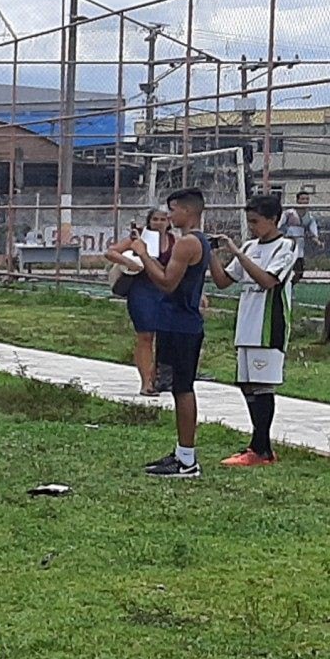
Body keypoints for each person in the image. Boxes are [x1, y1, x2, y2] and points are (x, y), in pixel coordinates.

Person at [209, 194, 299, 466]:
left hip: (268, 325)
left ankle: (261, 448)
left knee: (263, 386)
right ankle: (259, 446)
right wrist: (211, 255)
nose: (252, 227)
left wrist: (237, 252)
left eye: (256, 221)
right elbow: (224, 281)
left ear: (273, 219)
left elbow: (268, 280)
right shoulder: (250, 246)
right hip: (246, 324)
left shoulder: (286, 246)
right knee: (247, 385)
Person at [127, 188, 210, 479]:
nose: (169, 216)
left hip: (182, 325)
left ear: (187, 211)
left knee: (183, 388)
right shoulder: (198, 241)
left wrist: (142, 255)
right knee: (177, 389)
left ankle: (188, 459)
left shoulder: (188, 243)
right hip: (177, 322)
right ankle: (181, 453)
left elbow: (165, 282)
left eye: (173, 210)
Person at [106, 208, 174, 397]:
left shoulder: (175, 241)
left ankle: (161, 377)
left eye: (163, 219)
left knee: (166, 336)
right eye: (155, 219)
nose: (159, 223)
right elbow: (111, 252)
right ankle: (146, 382)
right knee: (145, 336)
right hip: (142, 290)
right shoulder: (138, 238)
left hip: (164, 290)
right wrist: (129, 262)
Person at [279, 190, 321, 284]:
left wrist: (317, 241)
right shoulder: (289, 213)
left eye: (307, 199)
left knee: (299, 272)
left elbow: (313, 233)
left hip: (299, 247)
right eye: (302, 199)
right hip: (287, 246)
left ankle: (290, 287)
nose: (305, 201)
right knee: (285, 270)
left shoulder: (309, 217)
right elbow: (278, 226)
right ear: (297, 200)